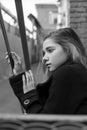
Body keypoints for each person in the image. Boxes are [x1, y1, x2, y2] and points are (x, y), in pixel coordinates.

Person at [6, 27, 87, 114]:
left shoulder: (67, 73)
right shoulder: (76, 71)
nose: (44, 58)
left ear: (68, 49)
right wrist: (19, 75)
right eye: (44, 53)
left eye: (50, 50)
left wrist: (29, 96)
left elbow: (46, 123)